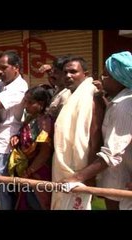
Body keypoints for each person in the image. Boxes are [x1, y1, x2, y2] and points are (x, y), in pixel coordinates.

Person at [60, 51, 132, 210]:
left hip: (120, 185)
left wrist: (78, 177)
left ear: (119, 79)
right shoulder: (116, 102)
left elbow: (111, 153)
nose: (101, 77)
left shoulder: (124, 106)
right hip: (115, 180)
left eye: (106, 75)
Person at [51, 55, 105, 210]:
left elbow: (95, 137)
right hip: (65, 166)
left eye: (73, 72)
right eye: (65, 72)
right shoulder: (70, 96)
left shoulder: (92, 96)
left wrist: (89, 174)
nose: (68, 76)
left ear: (85, 74)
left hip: (81, 169)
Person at [0, 51, 28, 210]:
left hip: (2, 145)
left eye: (4, 68)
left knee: (0, 189)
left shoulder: (19, 87)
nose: (0, 72)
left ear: (16, 68)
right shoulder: (3, 84)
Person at [9, 86, 54, 210]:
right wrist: (16, 137)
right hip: (26, 170)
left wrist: (29, 172)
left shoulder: (46, 123)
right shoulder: (30, 119)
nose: (25, 106)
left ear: (41, 103)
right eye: (25, 101)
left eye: (30, 102)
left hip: (38, 172)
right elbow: (25, 135)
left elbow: (44, 153)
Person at [39, 56, 72, 121]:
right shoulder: (59, 89)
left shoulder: (66, 96)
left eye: (56, 72)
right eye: (52, 71)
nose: (52, 75)